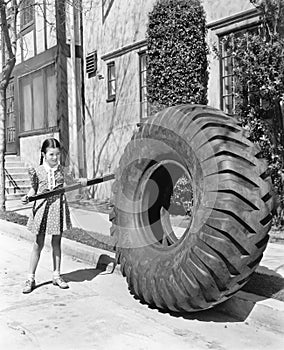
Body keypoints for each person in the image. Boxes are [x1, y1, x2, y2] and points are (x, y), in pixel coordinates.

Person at [21, 138, 87, 294]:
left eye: (57, 154)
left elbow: (73, 183)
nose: (55, 158)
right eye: (51, 154)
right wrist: (27, 197)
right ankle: (30, 278)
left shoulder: (62, 171)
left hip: (57, 207)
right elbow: (33, 189)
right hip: (42, 208)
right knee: (38, 243)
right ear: (44, 154)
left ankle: (56, 275)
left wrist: (82, 182)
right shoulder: (36, 171)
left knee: (57, 242)